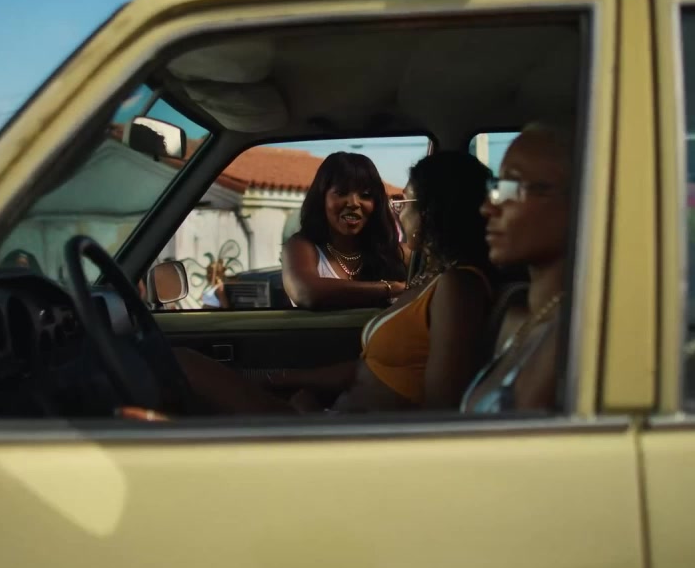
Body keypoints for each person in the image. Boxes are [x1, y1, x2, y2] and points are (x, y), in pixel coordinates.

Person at [175, 150, 498, 413]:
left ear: (432, 211)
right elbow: (367, 368)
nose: (398, 212)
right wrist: (284, 379)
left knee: (184, 365)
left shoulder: (457, 286)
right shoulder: (431, 277)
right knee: (184, 362)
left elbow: (442, 410)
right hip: (334, 420)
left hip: (351, 439)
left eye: (406, 202)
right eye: (341, 192)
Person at [461, 120, 576, 413]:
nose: (488, 207)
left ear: (579, 200)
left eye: (511, 188)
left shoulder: (574, 332)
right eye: (496, 187)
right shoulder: (520, 319)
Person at [282, 152, 409, 310]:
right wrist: (390, 288)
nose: (354, 203)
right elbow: (305, 292)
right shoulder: (301, 247)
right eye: (341, 193)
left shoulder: (394, 253)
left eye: (365, 195)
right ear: (322, 198)